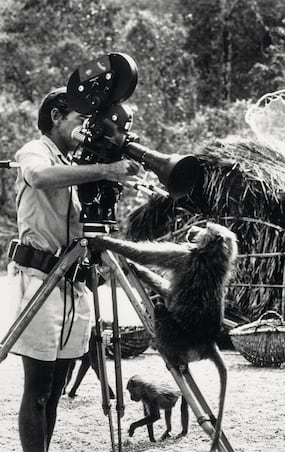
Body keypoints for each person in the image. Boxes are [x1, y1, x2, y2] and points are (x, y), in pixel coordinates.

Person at [7, 87, 141, 452]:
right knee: (37, 391)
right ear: (55, 117)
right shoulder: (36, 151)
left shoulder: (77, 164)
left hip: (74, 283)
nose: (85, 129)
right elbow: (38, 177)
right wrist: (104, 169)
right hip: (40, 280)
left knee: (53, 395)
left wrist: (111, 179)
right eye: (79, 120)